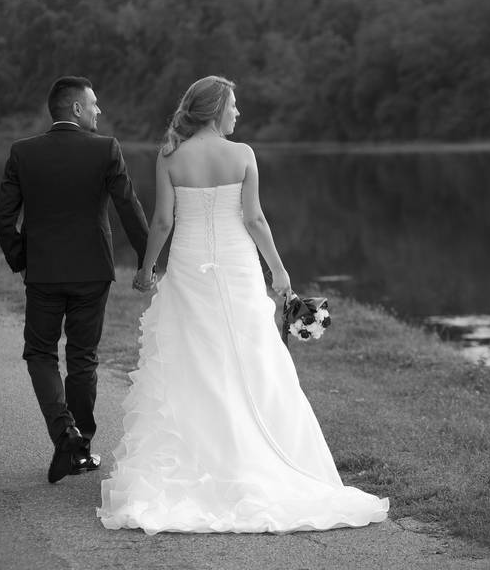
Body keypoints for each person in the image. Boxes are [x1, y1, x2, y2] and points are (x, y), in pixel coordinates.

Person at [97, 75, 389, 534]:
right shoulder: (243, 155)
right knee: (253, 361)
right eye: (233, 106)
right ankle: (257, 459)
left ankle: (199, 464)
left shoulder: (172, 155)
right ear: (216, 110)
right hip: (236, 271)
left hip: (191, 270)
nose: (238, 114)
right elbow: (253, 218)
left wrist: (147, 268)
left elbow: (163, 220)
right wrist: (279, 270)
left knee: (193, 363)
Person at [0, 76, 151, 484]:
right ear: (76, 109)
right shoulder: (106, 149)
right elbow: (129, 208)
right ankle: (80, 445)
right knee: (83, 358)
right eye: (94, 104)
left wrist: (21, 259)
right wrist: (147, 261)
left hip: (43, 273)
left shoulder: (23, 152)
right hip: (92, 271)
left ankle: (66, 436)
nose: (100, 110)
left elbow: (3, 217)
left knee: (40, 353)